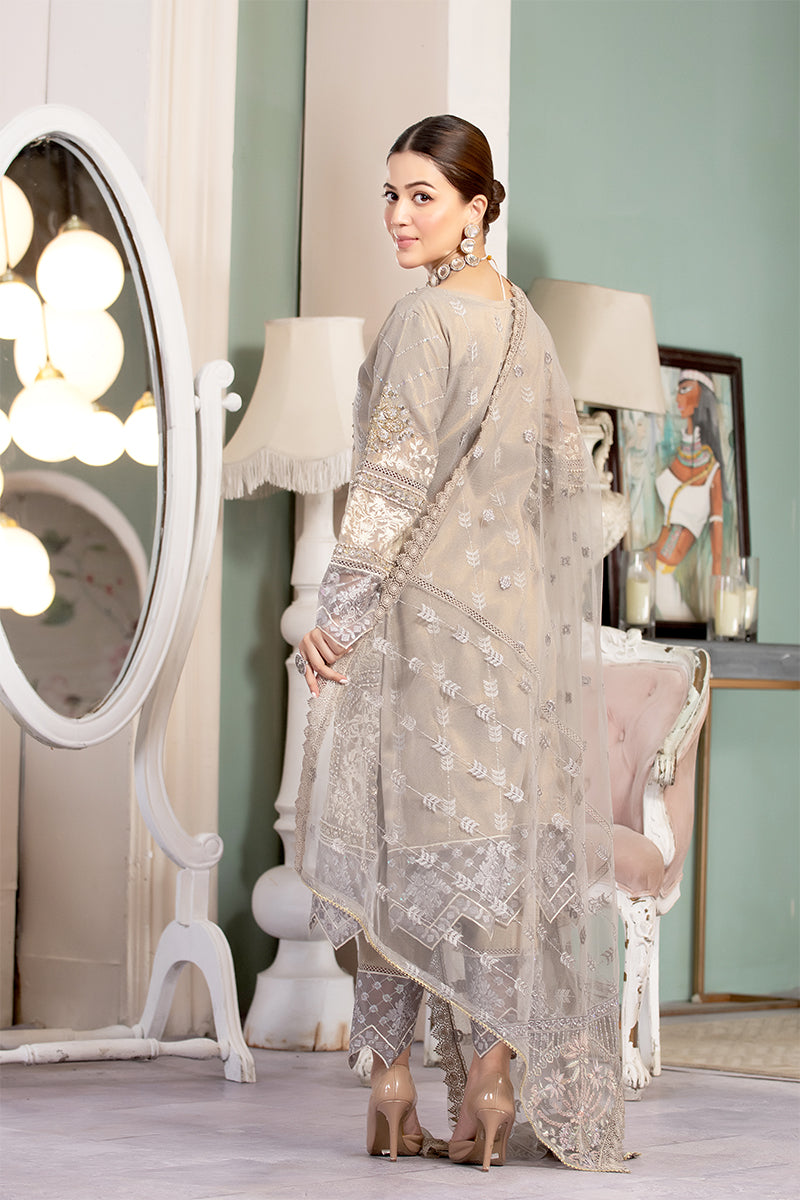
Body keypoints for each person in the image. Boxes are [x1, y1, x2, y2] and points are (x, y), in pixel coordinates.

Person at [295, 115, 626, 1173]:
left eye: (422, 197)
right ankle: (489, 1084)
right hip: (511, 641)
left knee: (396, 851)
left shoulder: (422, 320)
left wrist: (337, 615)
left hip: (420, 625)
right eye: (389, 195)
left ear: (476, 208)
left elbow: (389, 487)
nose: (398, 217)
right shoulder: (527, 326)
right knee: (489, 859)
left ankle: (392, 1084)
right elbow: (571, 492)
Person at [649, 369, 727, 621]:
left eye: (685, 389)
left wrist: (719, 595)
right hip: (644, 566)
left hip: (663, 574)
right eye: (677, 391)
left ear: (703, 396)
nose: (677, 398)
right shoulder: (673, 457)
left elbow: (717, 555)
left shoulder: (712, 471)